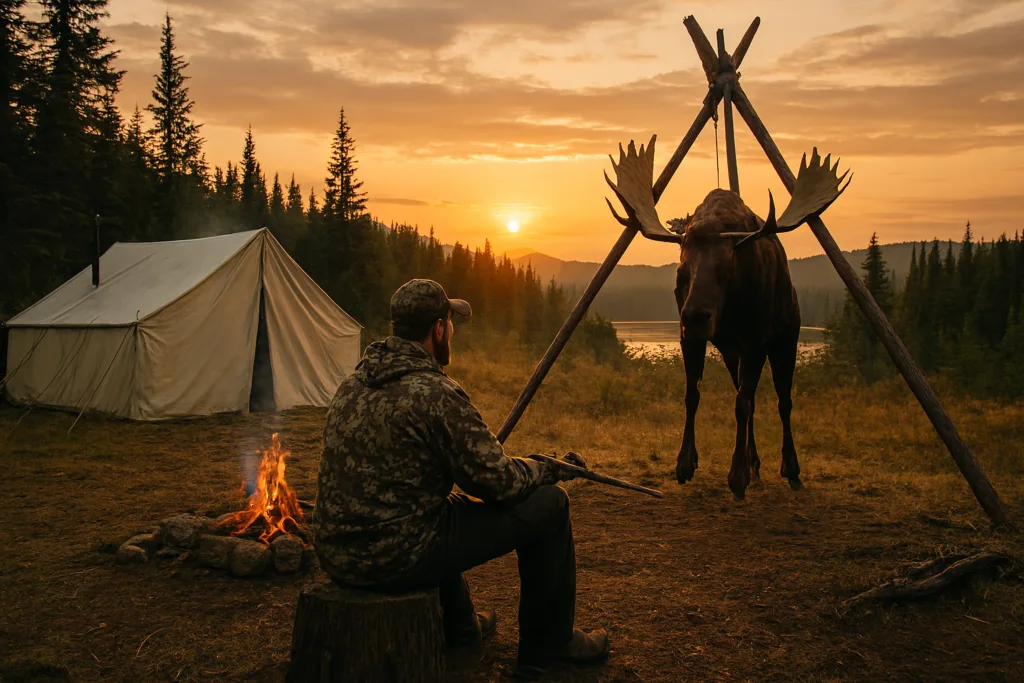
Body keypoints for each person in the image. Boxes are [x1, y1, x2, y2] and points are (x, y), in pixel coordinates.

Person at [313, 278, 610, 675]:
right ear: (438, 329)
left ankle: (460, 629)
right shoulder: (436, 394)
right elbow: (498, 484)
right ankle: (550, 650)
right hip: (392, 558)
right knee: (550, 505)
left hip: (336, 555)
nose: (452, 330)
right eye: (450, 323)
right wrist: (548, 468)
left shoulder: (351, 385)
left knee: (434, 511)